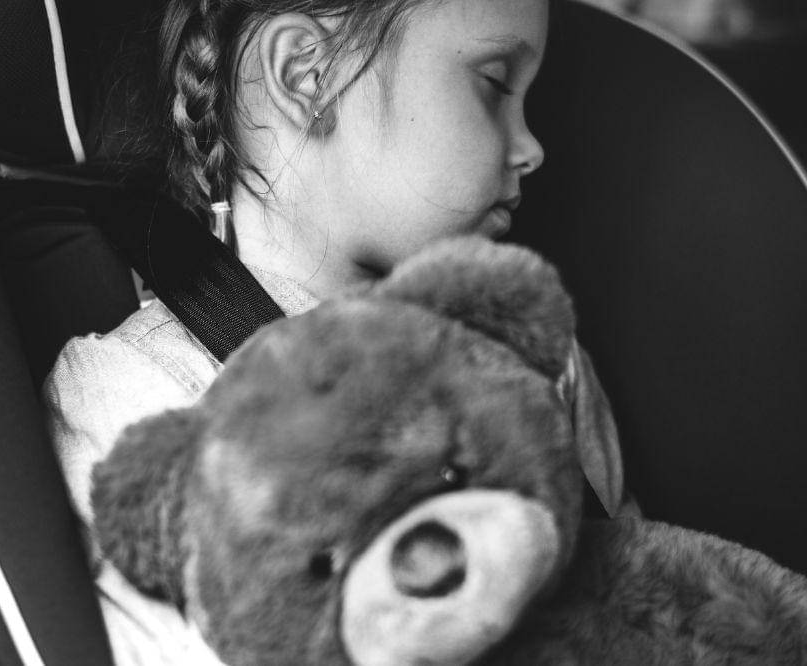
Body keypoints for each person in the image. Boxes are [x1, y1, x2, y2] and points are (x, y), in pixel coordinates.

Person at [45, 0, 635, 663]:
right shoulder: (142, 400)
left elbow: (634, 590)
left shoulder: (531, 351)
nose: (531, 148)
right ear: (307, 75)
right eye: (494, 85)